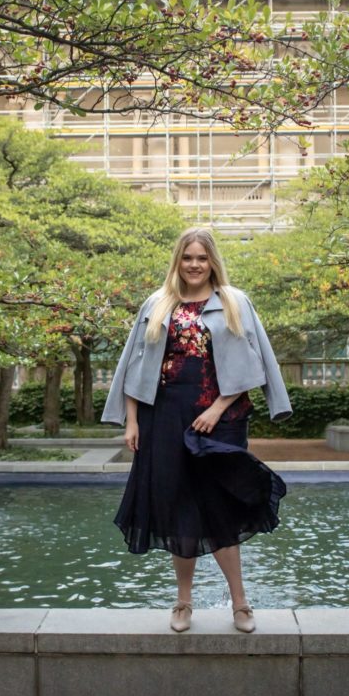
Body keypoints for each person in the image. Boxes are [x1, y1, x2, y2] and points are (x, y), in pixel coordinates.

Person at [101, 227, 292, 633]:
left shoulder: (234, 302)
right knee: (178, 508)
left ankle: (240, 603)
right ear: (178, 260)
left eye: (201, 258)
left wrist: (217, 408)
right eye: (187, 257)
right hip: (164, 416)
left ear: (212, 262)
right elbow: (135, 364)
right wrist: (131, 420)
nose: (194, 264)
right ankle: (183, 602)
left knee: (219, 506)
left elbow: (252, 361)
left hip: (220, 419)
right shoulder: (158, 303)